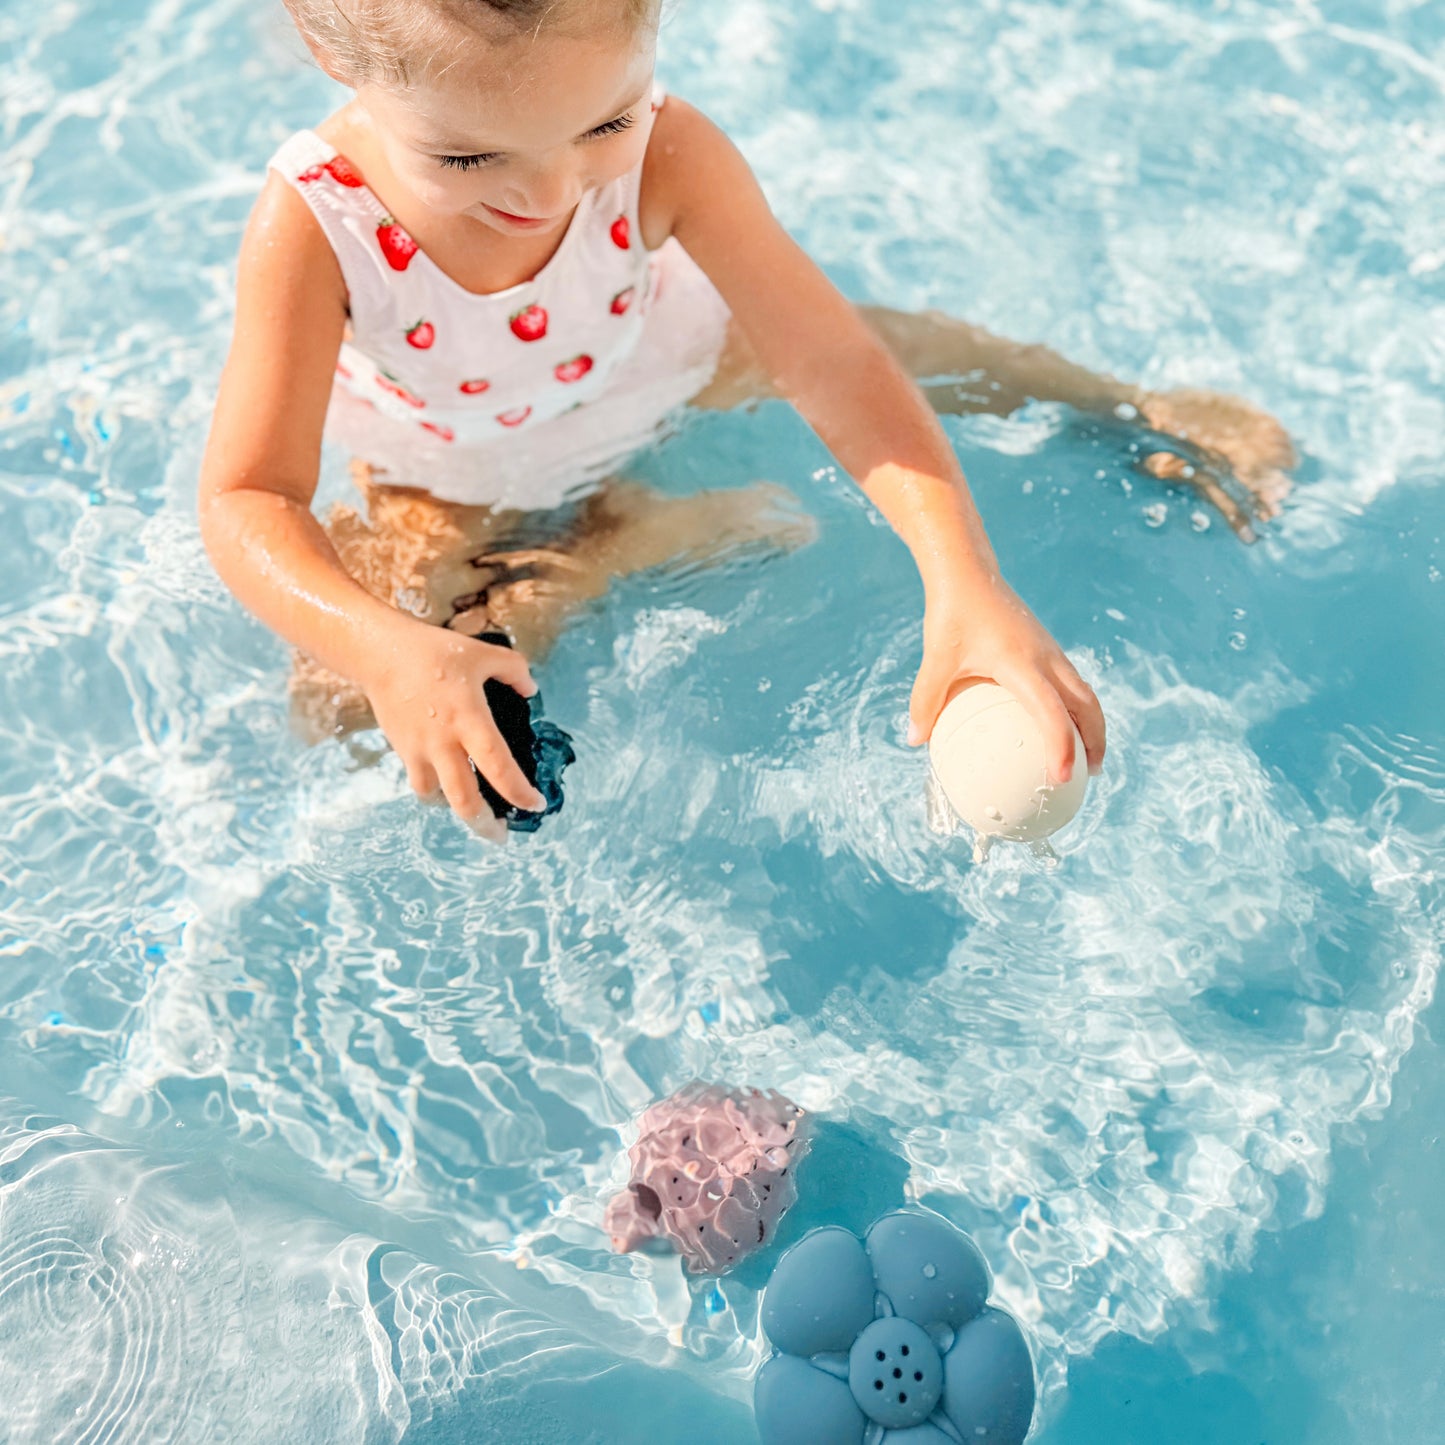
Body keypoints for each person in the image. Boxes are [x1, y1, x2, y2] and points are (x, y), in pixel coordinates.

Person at [199, 0, 1295, 830]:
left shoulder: (673, 152)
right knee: (348, 710)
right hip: (453, 471)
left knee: (896, 345)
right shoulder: (315, 225)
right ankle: (604, 552)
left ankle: (1129, 405)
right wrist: (389, 654)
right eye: (467, 155)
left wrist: (964, 578)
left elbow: (836, 366)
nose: (550, 193)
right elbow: (250, 494)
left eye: (602, 121)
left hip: (660, 364)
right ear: (335, 61)